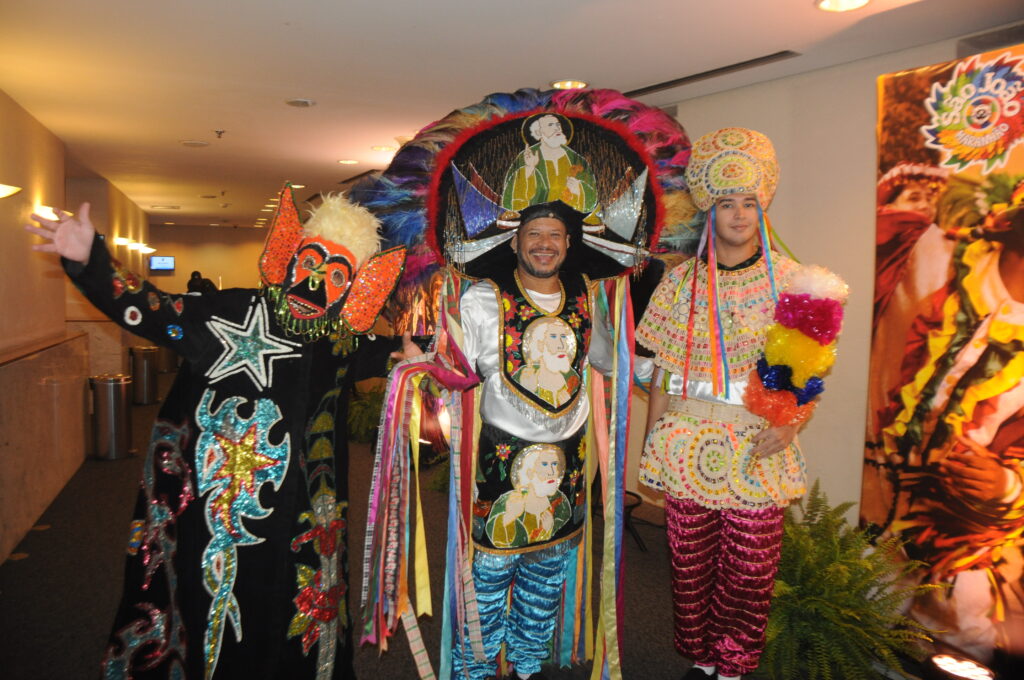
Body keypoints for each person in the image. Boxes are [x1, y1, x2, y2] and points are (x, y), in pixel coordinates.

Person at [26, 189, 405, 679]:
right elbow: (156, 310)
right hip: (225, 514)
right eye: (311, 262)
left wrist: (410, 350)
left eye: (336, 275)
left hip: (309, 519)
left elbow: (381, 351)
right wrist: (92, 261)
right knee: (220, 607)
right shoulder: (229, 312)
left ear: (354, 288)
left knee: (297, 611)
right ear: (287, 259)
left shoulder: (340, 339)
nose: (315, 285)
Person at [637, 128, 847, 680]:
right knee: (690, 567)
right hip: (684, 445)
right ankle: (704, 660)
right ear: (711, 212)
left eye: (748, 203)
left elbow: (808, 372)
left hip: (756, 445)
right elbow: (662, 374)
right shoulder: (679, 284)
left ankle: (733, 666)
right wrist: (648, 448)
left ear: (762, 208)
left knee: (750, 570)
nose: (737, 215)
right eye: (726, 204)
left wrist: (794, 424)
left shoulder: (793, 283)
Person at [867, 178, 1024, 665]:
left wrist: (1006, 485)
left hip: (958, 523)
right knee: (853, 623)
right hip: (864, 490)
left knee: (964, 640)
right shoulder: (928, 248)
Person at [502, 113, 598, 215]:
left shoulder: (575, 159)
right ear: (539, 132)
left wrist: (579, 189)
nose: (557, 128)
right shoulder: (526, 157)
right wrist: (529, 168)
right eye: (550, 125)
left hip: (570, 218)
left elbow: (592, 196)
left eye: (558, 125)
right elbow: (510, 200)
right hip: (536, 218)